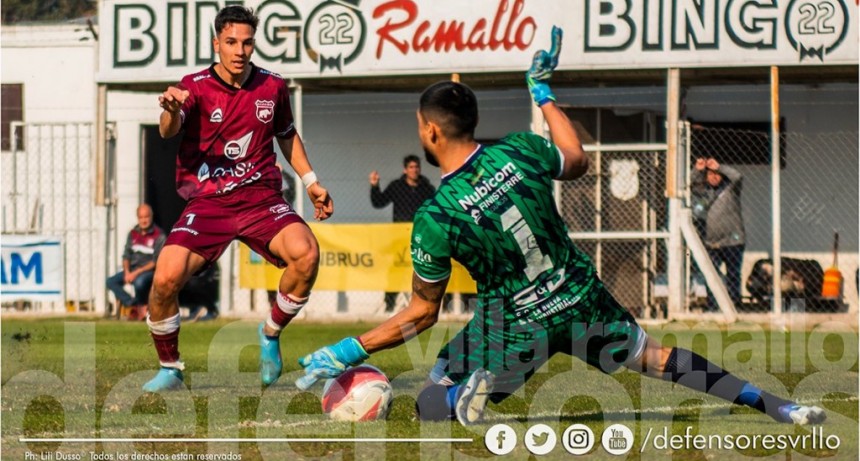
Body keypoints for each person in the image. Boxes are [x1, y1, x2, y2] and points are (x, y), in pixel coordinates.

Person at [295, 27, 825, 426]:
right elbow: (576, 159)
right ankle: (776, 404)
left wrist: (350, 349)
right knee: (658, 359)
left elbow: (423, 312)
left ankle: (461, 396)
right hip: (578, 297)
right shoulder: (521, 150)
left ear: (431, 132)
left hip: (513, 322)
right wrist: (543, 93)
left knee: (434, 393)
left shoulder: (435, 215)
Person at [144, 5, 333, 392]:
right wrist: (169, 110)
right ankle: (170, 368)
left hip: (261, 198)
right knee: (164, 278)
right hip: (209, 202)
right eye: (231, 42)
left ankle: (270, 332)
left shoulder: (273, 87)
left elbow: (286, 134)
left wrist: (311, 180)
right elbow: (170, 129)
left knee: (307, 254)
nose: (240, 50)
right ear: (217, 43)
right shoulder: (194, 85)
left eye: (247, 42)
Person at [369, 155, 436, 312]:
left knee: (425, 267)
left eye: (417, 167)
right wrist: (374, 186)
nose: (414, 170)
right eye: (411, 167)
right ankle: (389, 304)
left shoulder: (427, 188)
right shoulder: (396, 186)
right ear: (405, 170)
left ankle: (427, 303)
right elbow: (379, 202)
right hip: (399, 237)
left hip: (421, 236)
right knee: (396, 269)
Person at [691, 157, 745, 309]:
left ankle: (735, 305)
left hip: (733, 240)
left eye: (717, 174)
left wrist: (719, 167)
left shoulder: (731, 189)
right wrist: (698, 170)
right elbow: (687, 183)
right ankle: (713, 306)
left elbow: (737, 176)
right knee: (711, 275)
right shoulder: (703, 192)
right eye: (710, 174)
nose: (714, 177)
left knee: (733, 274)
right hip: (711, 241)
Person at [106, 204, 165, 314]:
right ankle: (133, 304)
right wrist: (127, 272)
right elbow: (126, 255)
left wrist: (136, 273)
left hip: (149, 271)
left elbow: (156, 261)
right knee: (110, 281)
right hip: (132, 269)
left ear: (151, 217)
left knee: (139, 282)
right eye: (141, 217)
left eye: (146, 217)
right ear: (137, 218)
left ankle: (141, 307)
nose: (144, 221)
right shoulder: (133, 233)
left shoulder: (159, 235)